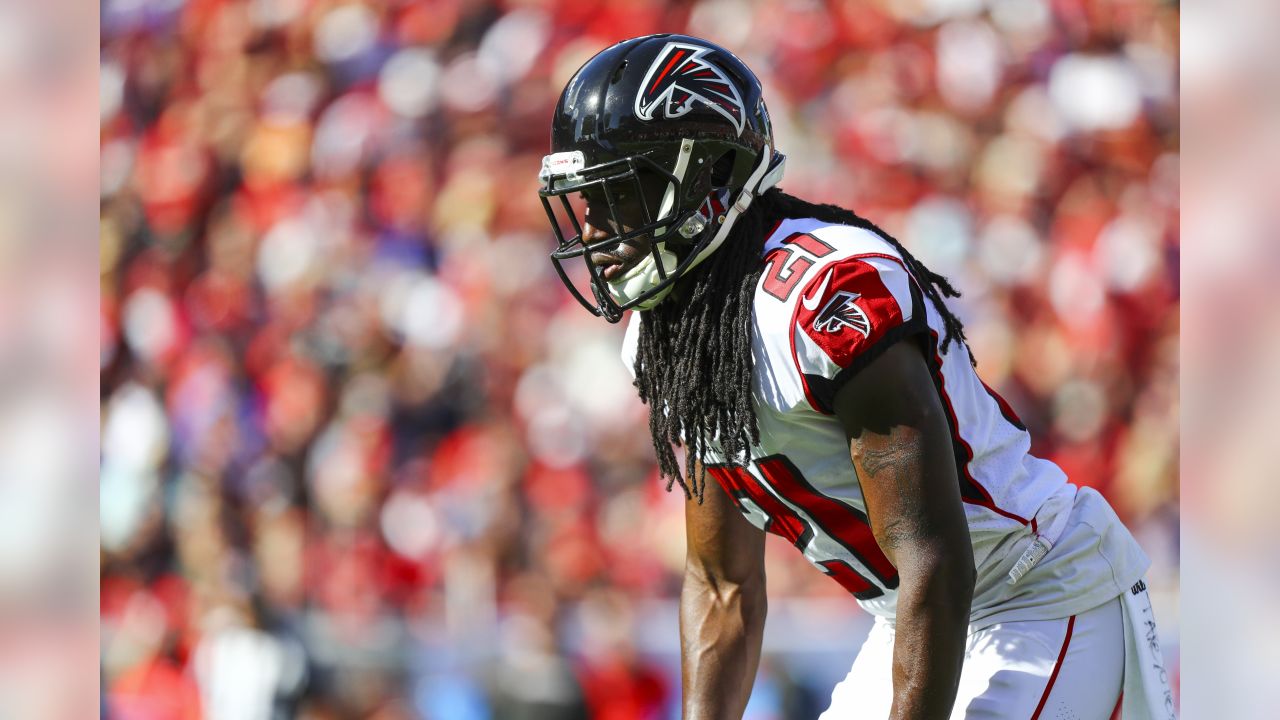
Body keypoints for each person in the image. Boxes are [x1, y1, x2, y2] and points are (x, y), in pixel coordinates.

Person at [536, 34, 1175, 720]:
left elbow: (935, 555)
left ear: (708, 177)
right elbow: (723, 585)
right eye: (588, 198)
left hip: (1035, 595)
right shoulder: (674, 338)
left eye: (620, 193)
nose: (596, 226)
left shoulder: (823, 301)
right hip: (910, 616)